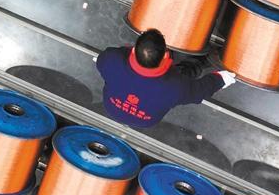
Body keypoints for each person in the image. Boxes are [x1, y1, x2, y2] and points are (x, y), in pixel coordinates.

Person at [96, 28, 236, 129]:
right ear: (165, 55)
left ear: (133, 50)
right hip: (145, 119)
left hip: (113, 109)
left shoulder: (111, 60)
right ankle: (197, 62)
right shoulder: (175, 88)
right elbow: (199, 91)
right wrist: (221, 78)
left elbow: (102, 60)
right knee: (186, 72)